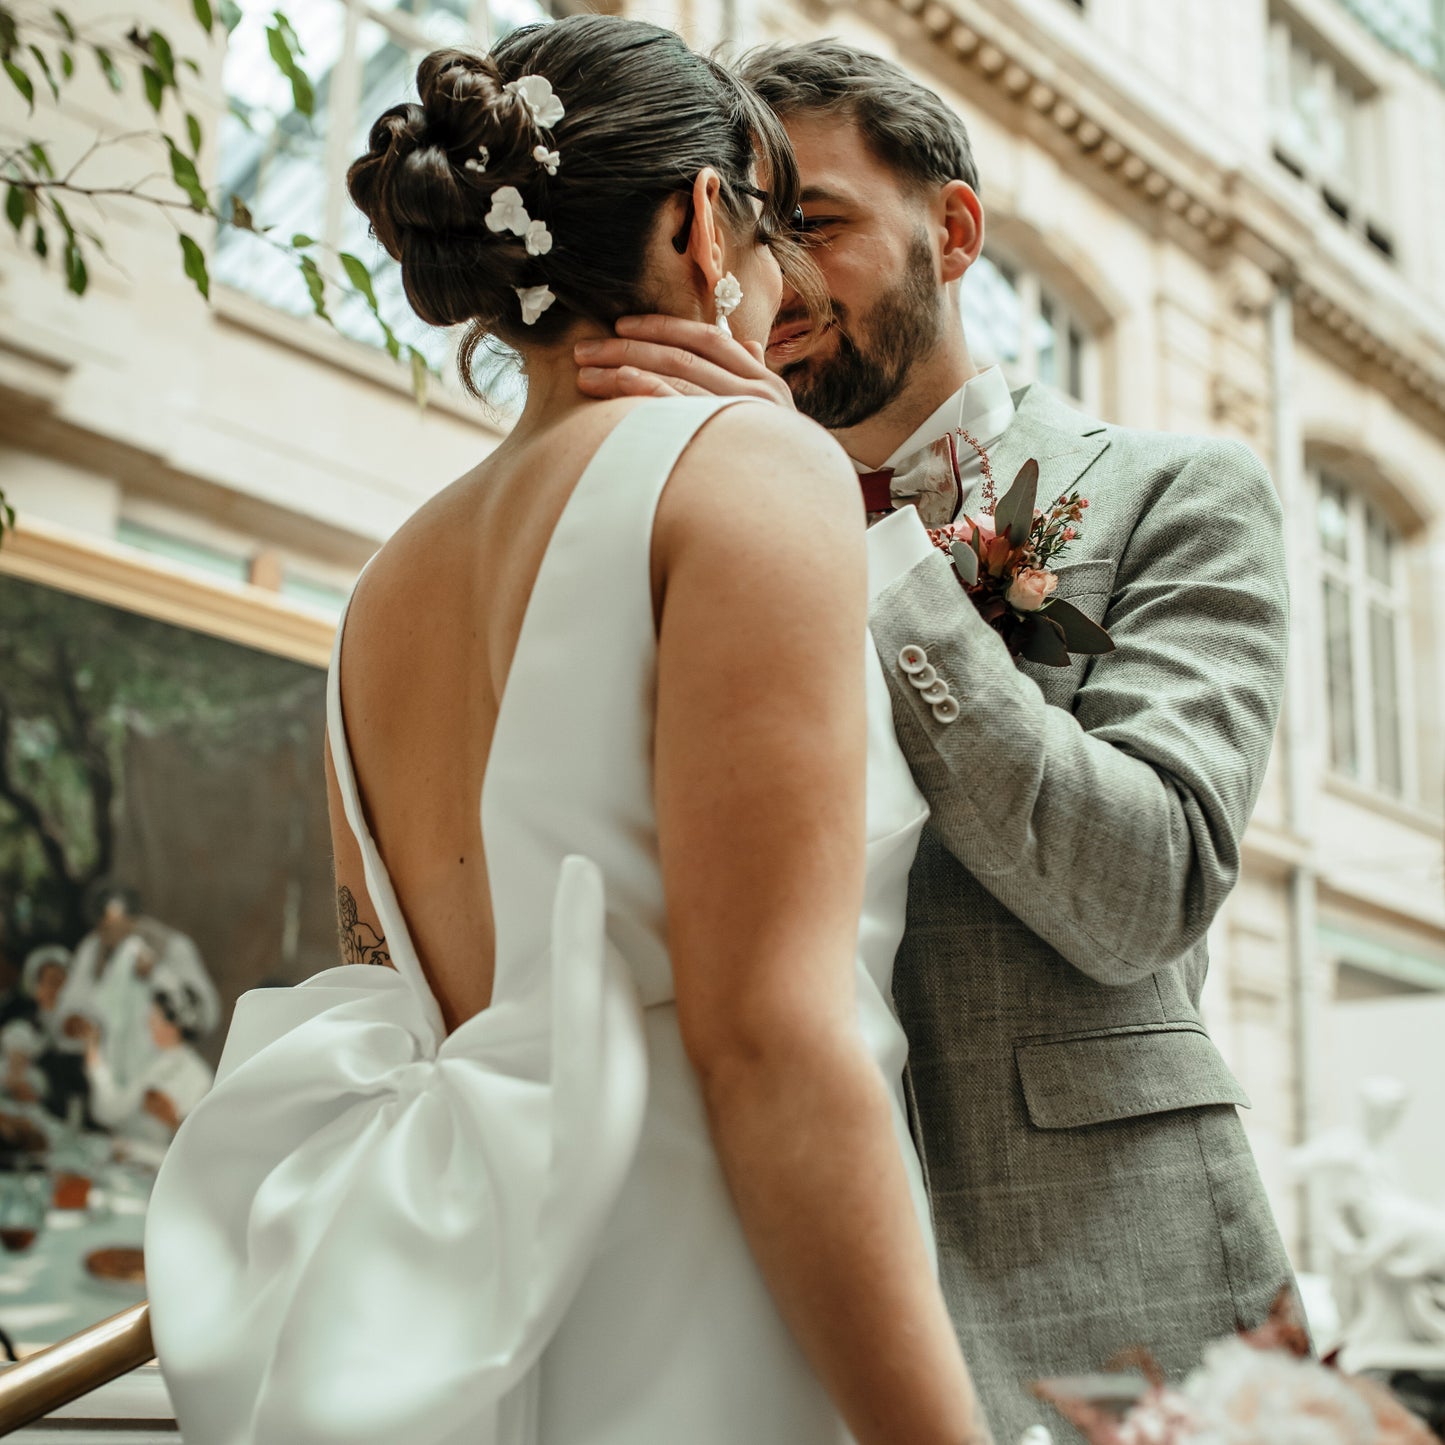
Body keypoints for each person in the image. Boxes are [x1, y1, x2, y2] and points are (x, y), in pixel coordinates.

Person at [145, 18, 988, 1445]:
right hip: (712, 1311)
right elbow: (775, 1041)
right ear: (704, 220)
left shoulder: (382, 587)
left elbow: (398, 992)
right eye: (775, 225)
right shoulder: (747, 467)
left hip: (475, 1323)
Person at [573, 39, 1298, 1443]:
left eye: (817, 220)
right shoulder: (676, 535)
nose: (770, 277)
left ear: (951, 231)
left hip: (1113, 1286)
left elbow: (1139, 887)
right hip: (763, 1291)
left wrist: (871, 553)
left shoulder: (1178, 494)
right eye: (746, 229)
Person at [56, 886, 219, 1098]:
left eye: (121, 923)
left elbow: (205, 1014)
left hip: (163, 1071)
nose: (114, 933)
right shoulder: (93, 950)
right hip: (112, 1069)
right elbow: (71, 1007)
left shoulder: (171, 946)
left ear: (135, 918)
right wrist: (78, 1023)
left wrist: (158, 975)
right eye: (105, 927)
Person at [85, 979, 214, 1168]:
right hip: (131, 1159)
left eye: (156, 1016)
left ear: (173, 1026)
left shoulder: (199, 1077)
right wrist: (96, 1063)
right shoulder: (155, 1063)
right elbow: (112, 1110)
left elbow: (200, 1148)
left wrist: (173, 1120)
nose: (149, 1022)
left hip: (160, 1171)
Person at [0, 945, 70, 1108]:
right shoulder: (23, 1029)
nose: (58, 990)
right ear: (36, 988)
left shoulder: (80, 1027)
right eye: (51, 982)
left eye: (64, 982)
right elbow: (17, 1084)